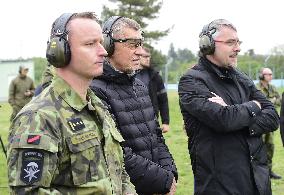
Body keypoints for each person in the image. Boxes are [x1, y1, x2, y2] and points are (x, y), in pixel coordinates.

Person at [7, 12, 136, 195]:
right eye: (90, 44)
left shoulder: (96, 106)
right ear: (60, 51)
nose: (103, 51)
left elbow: (118, 172)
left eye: (101, 42)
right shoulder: (39, 117)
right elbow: (29, 192)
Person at [178, 19, 279, 195]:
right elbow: (223, 120)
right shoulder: (192, 81)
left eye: (238, 42)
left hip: (258, 182)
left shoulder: (242, 78)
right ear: (207, 45)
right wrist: (254, 107)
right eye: (230, 42)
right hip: (220, 186)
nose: (238, 48)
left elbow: (272, 117)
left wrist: (235, 113)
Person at [90, 16, 178, 195]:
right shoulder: (95, 90)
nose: (140, 51)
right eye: (132, 44)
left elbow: (157, 136)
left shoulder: (140, 86)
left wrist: (170, 173)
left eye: (140, 44)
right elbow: (116, 153)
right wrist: (162, 180)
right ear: (108, 45)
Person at [136, 46, 170, 133]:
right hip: (133, 120)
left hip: (152, 120)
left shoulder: (155, 76)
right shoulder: (128, 75)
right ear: (137, 56)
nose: (148, 59)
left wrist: (165, 122)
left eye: (149, 57)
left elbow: (163, 100)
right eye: (145, 56)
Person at [257, 67, 282, 179]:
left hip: (270, 123)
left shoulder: (272, 87)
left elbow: (280, 100)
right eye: (268, 74)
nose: (271, 76)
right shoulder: (256, 88)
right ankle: (257, 172)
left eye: (271, 74)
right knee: (258, 147)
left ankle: (269, 171)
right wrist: (271, 101)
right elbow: (258, 102)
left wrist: (269, 101)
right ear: (262, 75)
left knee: (270, 146)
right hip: (259, 122)